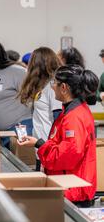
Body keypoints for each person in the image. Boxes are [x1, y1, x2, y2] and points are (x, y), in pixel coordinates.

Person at [18, 64, 98, 205]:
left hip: (73, 192)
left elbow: (67, 156)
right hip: (71, 187)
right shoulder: (72, 112)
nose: (52, 86)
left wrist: (40, 144)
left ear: (64, 88)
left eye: (55, 83)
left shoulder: (74, 117)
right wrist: (38, 143)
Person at [18, 47, 63, 170]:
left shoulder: (53, 86)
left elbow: (58, 118)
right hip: (41, 147)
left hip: (49, 147)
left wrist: (53, 146)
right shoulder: (43, 86)